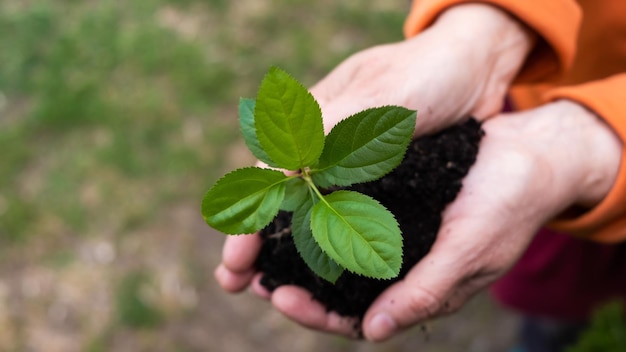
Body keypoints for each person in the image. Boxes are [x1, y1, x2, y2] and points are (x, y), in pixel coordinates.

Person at [215, 1, 626, 348]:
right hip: (549, 68)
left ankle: (553, 326)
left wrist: (593, 142)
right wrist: (480, 29)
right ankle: (547, 326)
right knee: (548, 281)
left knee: (571, 279)